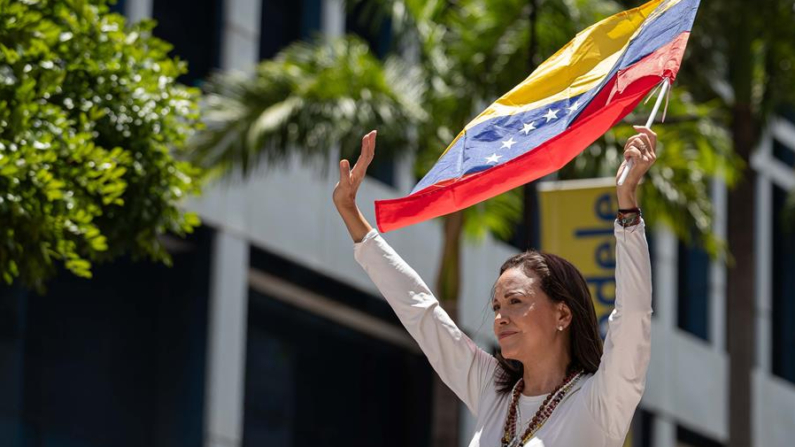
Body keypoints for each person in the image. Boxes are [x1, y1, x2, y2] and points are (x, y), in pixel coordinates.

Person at [333, 127, 656, 447]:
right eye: (498, 306)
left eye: (515, 301)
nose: (500, 317)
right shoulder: (494, 390)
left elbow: (633, 315)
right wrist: (351, 214)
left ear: (562, 314)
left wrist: (627, 204)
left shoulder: (601, 398)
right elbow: (421, 311)